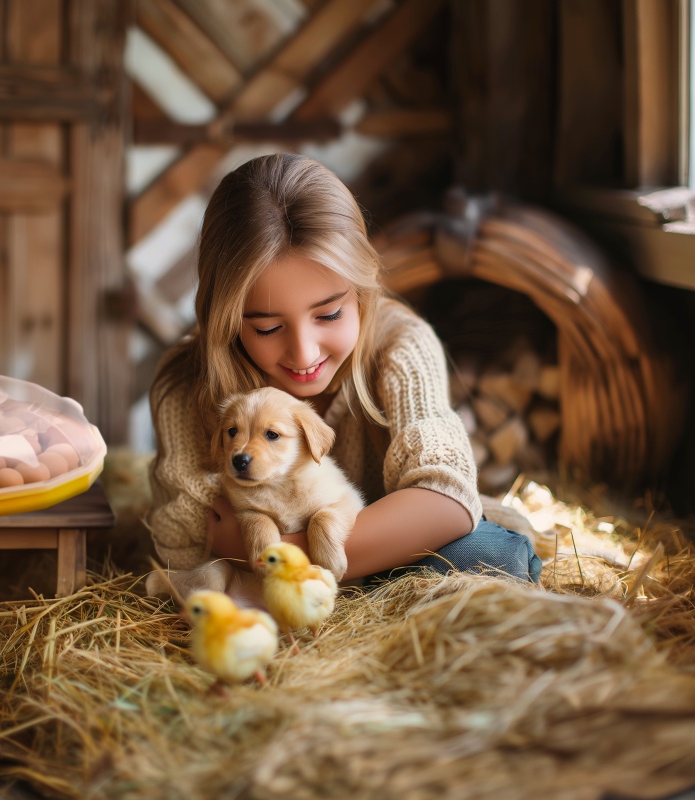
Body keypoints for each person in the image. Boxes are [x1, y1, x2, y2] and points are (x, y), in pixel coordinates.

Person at [145, 153, 541, 597]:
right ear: (227, 318)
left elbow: (445, 498)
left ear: (362, 293)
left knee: (492, 555)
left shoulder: (400, 345)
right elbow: (184, 541)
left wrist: (283, 553)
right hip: (358, 567)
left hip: (378, 557)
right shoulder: (187, 381)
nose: (304, 352)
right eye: (267, 328)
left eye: (329, 314)